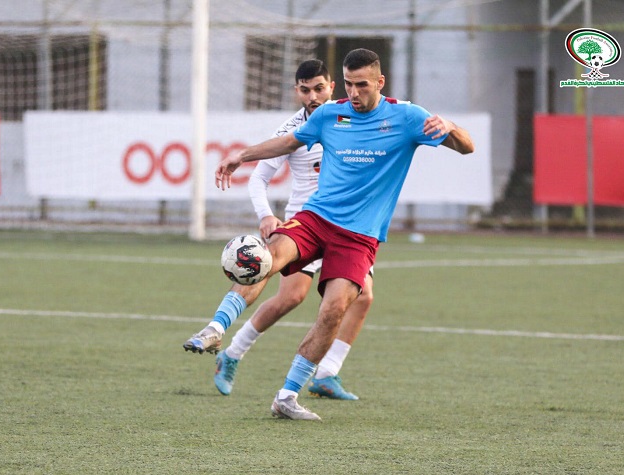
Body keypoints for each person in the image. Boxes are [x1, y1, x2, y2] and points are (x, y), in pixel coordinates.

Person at [184, 48, 474, 421]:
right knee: (266, 258)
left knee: (335, 309)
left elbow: (467, 147)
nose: (353, 93)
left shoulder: (407, 117)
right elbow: (288, 142)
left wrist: (450, 127)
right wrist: (242, 155)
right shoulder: (329, 114)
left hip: (359, 236)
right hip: (316, 218)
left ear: (380, 82)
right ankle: (217, 327)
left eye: (362, 85)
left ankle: (287, 396)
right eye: (349, 84)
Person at [213, 59, 372, 401]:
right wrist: (266, 215)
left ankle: (327, 373)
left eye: (319, 88)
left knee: (363, 298)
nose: (313, 96)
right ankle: (231, 350)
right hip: (307, 223)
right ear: (296, 91)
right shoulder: (292, 129)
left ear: (332, 87)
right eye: (305, 90)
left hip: (347, 225)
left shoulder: (351, 116)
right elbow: (259, 177)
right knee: (290, 297)